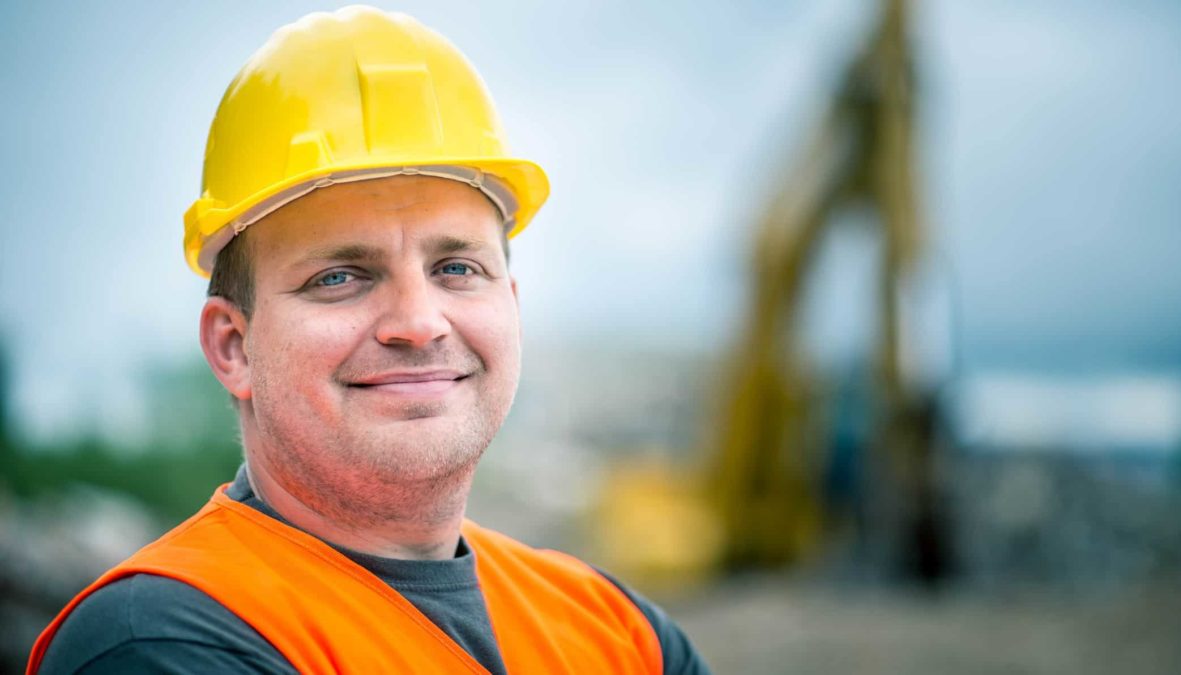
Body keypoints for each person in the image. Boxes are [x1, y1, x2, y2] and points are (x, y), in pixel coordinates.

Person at [27, 7, 710, 674]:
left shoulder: (621, 633)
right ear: (234, 346)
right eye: (340, 276)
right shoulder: (159, 640)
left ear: (512, 307)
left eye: (457, 268)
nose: (418, 321)